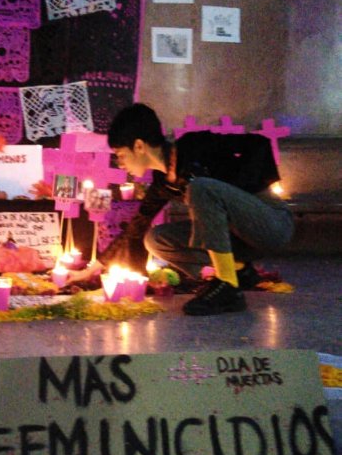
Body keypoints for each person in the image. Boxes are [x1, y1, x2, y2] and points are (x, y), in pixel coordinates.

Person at [68, 102, 294, 316]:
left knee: (200, 187)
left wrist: (240, 190)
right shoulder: (162, 183)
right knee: (155, 239)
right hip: (239, 239)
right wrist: (90, 270)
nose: (120, 164)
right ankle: (239, 270)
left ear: (139, 146)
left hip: (270, 223)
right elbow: (134, 228)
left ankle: (227, 287)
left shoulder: (193, 146)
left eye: (120, 155)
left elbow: (259, 144)